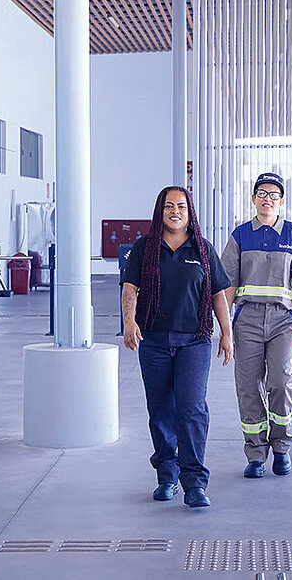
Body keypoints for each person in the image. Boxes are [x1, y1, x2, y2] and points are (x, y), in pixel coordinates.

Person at [122, 186, 233, 509]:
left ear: (190, 212)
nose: (175, 211)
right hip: (154, 342)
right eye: (169, 206)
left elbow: (218, 293)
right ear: (160, 211)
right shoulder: (145, 248)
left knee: (192, 410)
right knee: (160, 411)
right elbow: (131, 287)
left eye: (181, 206)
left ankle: (195, 482)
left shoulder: (202, 248)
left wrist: (226, 332)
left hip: (194, 342)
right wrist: (129, 322)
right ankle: (167, 475)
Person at [221, 172, 292, 479]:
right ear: (253, 199)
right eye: (262, 193)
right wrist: (225, 327)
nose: (267, 199)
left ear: (282, 201)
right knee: (248, 386)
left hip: (281, 321)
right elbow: (228, 284)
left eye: (274, 195)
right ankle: (256, 453)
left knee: (281, 381)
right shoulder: (240, 235)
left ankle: (282, 447)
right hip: (247, 320)